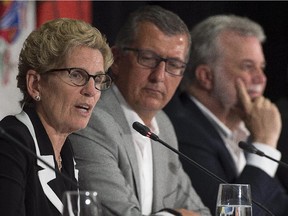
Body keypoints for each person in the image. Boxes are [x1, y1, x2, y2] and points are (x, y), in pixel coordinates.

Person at [70, 5, 211, 216]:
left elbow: (202, 212)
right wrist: (176, 215)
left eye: (173, 64)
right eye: (148, 58)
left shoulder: (163, 125)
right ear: (116, 59)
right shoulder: (93, 122)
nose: (159, 76)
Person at [164, 15, 288, 216]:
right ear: (206, 76)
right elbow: (231, 214)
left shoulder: (245, 129)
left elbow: (278, 206)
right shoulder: (182, 131)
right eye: (248, 66)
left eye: (261, 67)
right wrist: (265, 143)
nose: (261, 78)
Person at [0, 18, 113, 216]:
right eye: (77, 75)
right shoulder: (10, 143)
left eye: (98, 79)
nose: (91, 91)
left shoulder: (66, 153)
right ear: (35, 84)